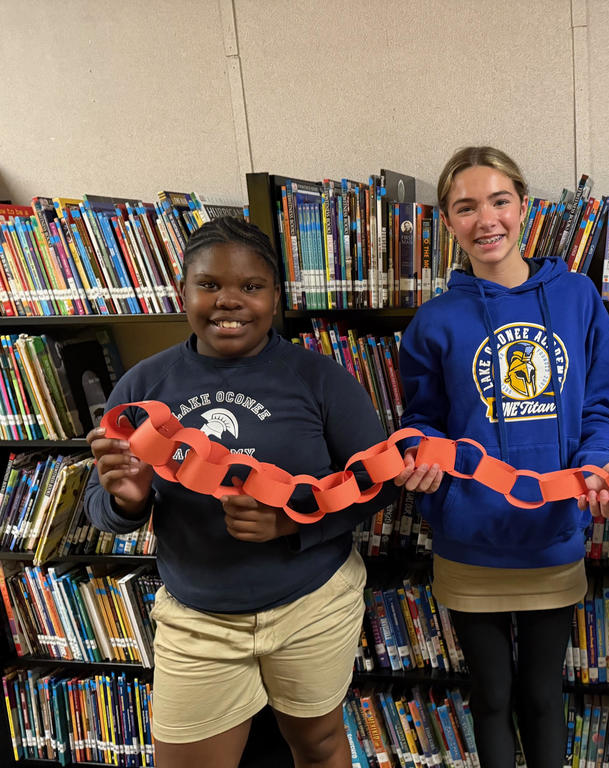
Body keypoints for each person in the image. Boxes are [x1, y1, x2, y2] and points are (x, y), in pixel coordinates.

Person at [84, 216, 397, 768]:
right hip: (198, 618)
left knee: (319, 744)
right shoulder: (143, 387)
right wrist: (128, 499)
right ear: (183, 293)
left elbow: (376, 484)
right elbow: (101, 508)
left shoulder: (319, 379)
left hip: (312, 605)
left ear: (275, 297)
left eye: (251, 287)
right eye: (209, 285)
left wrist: (290, 522)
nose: (229, 301)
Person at [394, 146, 609, 768]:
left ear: (524, 206)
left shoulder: (577, 298)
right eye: (465, 207)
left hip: (551, 533)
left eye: (499, 201)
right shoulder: (433, 322)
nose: (486, 219)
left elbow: (607, 401)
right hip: (470, 541)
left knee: (543, 692)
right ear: (447, 222)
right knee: (492, 695)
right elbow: (422, 418)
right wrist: (419, 457)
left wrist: (599, 462)